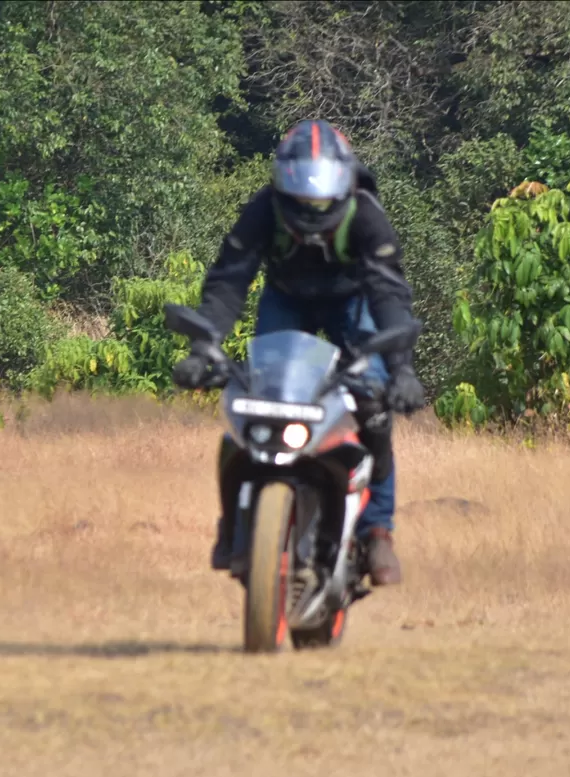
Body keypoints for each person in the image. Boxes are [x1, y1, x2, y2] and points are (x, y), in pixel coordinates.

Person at [172, 118, 425, 586]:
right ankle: (236, 522)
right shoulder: (263, 210)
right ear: (281, 191)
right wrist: (204, 347)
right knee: (256, 399)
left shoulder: (366, 215)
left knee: (372, 403)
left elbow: (390, 295)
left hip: (354, 304)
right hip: (287, 301)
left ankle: (376, 533)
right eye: (299, 205)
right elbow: (228, 281)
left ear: (344, 188)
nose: (311, 216)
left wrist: (401, 370)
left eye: (322, 205)